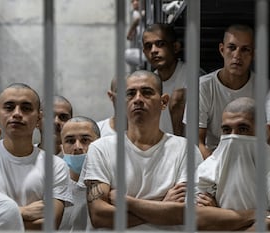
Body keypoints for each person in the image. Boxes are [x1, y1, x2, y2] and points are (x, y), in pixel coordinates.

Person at [81, 70, 202, 230]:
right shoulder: (100, 148)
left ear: (164, 102)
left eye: (147, 92)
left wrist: (128, 202)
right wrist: (162, 207)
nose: (138, 99)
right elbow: (99, 215)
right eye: (130, 94)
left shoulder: (185, 150)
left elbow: (187, 214)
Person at [196, 97, 270, 231]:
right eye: (226, 130)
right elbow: (196, 219)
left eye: (243, 129)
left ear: (265, 131)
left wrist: (218, 217)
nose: (233, 137)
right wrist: (257, 215)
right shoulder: (208, 167)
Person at [0, 83, 72, 230]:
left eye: (26, 108)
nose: (17, 113)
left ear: (39, 118)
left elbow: (50, 224)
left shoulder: (55, 166)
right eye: (9, 107)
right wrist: (22, 212)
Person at [186, 24, 256, 159]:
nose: (237, 55)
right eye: (232, 48)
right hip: (212, 157)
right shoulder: (202, 87)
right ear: (222, 50)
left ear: (253, 54)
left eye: (245, 49)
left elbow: (268, 140)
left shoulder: (265, 88)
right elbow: (196, 142)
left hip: (251, 158)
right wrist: (216, 168)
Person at [142, 23, 188, 136]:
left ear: (175, 47)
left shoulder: (192, 76)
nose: (153, 51)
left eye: (160, 44)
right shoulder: (149, 82)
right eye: (148, 46)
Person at [59, 116, 100, 231]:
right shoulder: (54, 184)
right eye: (70, 141)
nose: (77, 147)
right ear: (62, 147)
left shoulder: (111, 182)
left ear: (100, 143)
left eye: (85, 140)